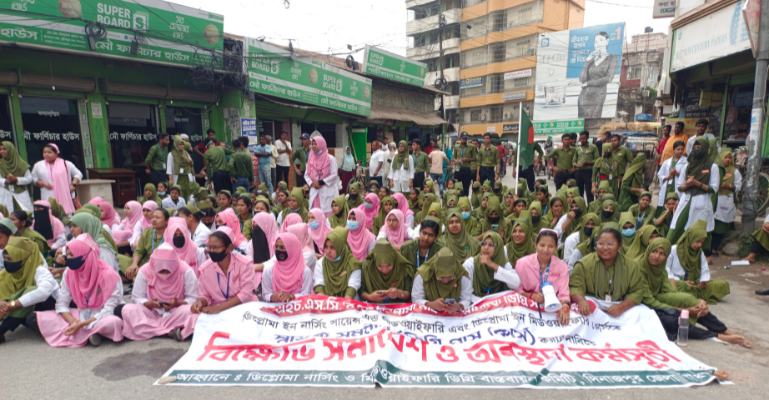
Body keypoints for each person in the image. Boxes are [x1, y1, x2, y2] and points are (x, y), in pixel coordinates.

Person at [641, 238, 751, 347]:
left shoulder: (660, 268)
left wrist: (697, 301)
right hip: (640, 306)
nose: (656, 256)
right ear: (648, 250)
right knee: (673, 321)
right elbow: (649, 301)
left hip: (656, 298)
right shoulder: (639, 269)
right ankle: (718, 336)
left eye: (661, 254)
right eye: (654, 251)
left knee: (692, 303)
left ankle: (727, 331)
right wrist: (683, 310)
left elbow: (670, 291)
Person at [37, 234, 124, 347]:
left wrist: (82, 324)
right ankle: (92, 334)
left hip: (103, 315)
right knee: (43, 317)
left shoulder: (108, 274)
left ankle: (86, 333)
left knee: (114, 322)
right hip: (81, 313)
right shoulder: (69, 273)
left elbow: (109, 309)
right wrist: (73, 322)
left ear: (85, 255)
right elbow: (61, 304)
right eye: (67, 255)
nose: (69, 259)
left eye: (72, 255)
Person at [117, 243, 198, 341]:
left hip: (176, 311)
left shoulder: (186, 271)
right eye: (160, 271)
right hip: (151, 312)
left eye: (168, 272)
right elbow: (137, 297)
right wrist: (150, 304)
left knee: (193, 311)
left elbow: (193, 298)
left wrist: (177, 304)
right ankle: (169, 332)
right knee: (127, 309)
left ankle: (148, 331)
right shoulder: (145, 270)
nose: (164, 275)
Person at [569, 227, 646, 317]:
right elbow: (575, 287)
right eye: (601, 243)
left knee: (643, 316)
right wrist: (581, 301)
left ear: (619, 246)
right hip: (591, 304)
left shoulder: (631, 266)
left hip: (621, 305)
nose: (605, 248)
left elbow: (637, 291)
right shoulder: (583, 264)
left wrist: (622, 307)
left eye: (610, 244)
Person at [0, 237, 59, 344]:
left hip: (51, 306)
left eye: (10, 259)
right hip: (26, 312)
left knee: (30, 291)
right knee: (28, 317)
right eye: (5, 259)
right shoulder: (5, 275)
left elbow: (43, 292)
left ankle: (2, 330)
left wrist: (12, 304)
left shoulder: (41, 271)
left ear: (24, 258)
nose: (6, 263)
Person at [189, 231, 256, 321]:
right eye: (209, 247)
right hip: (217, 307)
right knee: (194, 318)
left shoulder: (245, 264)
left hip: (242, 305)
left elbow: (246, 294)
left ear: (229, 248)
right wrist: (200, 303)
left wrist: (220, 308)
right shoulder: (205, 269)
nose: (211, 251)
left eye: (216, 248)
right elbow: (204, 295)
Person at [666, 137, 719, 246]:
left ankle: (699, 255)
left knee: (697, 232)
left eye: (699, 147)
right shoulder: (687, 166)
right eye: (694, 148)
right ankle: (671, 251)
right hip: (686, 201)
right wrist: (688, 185)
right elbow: (679, 187)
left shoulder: (713, 167)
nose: (696, 149)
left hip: (701, 201)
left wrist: (696, 183)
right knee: (676, 228)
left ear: (706, 149)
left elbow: (714, 188)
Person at [514, 229, 571, 325]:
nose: (545, 250)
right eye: (542, 245)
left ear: (557, 247)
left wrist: (565, 306)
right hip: (526, 307)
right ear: (535, 244)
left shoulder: (562, 267)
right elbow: (516, 289)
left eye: (551, 246)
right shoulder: (522, 263)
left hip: (551, 309)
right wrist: (531, 296)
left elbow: (564, 294)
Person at [666, 221, 729, 304]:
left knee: (723, 284)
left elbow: (704, 270)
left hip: (694, 284)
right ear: (690, 237)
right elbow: (666, 270)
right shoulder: (673, 250)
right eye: (697, 241)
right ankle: (689, 295)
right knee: (676, 286)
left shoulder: (699, 253)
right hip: (678, 282)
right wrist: (682, 283)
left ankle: (690, 294)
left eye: (702, 242)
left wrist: (703, 281)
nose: (699, 245)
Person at [463, 232, 520, 302]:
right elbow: (465, 295)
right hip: (476, 304)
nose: (486, 248)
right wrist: (485, 303)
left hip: (499, 305)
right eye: (483, 243)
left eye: (491, 245)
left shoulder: (503, 263)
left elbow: (516, 283)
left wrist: (493, 265)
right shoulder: (471, 263)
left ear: (498, 248)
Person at [412, 247, 471, 312]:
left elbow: (467, 298)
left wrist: (459, 306)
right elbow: (416, 299)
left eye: (450, 278)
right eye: (441, 278)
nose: (445, 281)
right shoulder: (423, 275)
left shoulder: (461, 274)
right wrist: (430, 304)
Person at [261, 233, 313, 303]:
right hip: (274, 310)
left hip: (297, 310)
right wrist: (272, 297)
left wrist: (292, 297)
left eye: (282, 248)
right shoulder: (269, 269)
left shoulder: (305, 272)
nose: (278, 250)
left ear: (292, 250)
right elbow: (265, 294)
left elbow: (306, 294)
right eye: (276, 247)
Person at [577, 31, 619, 118]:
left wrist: (589, 83)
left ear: (607, 41)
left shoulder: (612, 58)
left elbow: (608, 78)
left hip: (598, 96)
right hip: (583, 97)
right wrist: (588, 60)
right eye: (596, 41)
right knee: (581, 125)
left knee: (595, 121)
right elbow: (582, 79)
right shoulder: (591, 61)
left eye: (601, 40)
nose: (598, 43)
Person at [360, 239, 415, 304]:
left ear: (394, 259)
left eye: (389, 265)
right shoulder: (366, 267)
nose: (385, 270)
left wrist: (398, 293)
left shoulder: (403, 268)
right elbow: (361, 290)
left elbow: (409, 293)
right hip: (373, 308)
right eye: (380, 266)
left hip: (397, 308)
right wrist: (370, 297)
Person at [313, 228, 362, 298]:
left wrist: (341, 306)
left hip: (348, 304)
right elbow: (319, 285)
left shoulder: (353, 264)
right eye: (326, 247)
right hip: (326, 303)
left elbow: (352, 288)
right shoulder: (321, 263)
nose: (328, 251)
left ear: (341, 248)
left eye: (332, 247)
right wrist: (325, 305)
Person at [711, 149, 741, 257]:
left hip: (725, 199)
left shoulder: (734, 171)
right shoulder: (715, 169)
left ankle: (714, 248)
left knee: (720, 226)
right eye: (725, 157)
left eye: (729, 157)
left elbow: (738, 186)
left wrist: (729, 186)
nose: (727, 160)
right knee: (710, 224)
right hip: (713, 198)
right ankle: (708, 248)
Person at [125, 209, 170, 279]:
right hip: (143, 263)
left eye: (157, 218)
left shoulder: (171, 234)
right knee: (118, 258)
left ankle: (136, 277)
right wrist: (134, 264)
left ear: (167, 221)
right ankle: (137, 276)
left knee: (132, 274)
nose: (154, 220)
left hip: (160, 266)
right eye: (153, 217)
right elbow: (139, 251)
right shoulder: (147, 232)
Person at [307, 137, 339, 216]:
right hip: (315, 191)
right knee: (315, 215)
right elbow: (306, 174)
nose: (313, 146)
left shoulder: (331, 159)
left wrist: (321, 182)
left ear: (322, 145)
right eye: (312, 144)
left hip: (327, 190)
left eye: (316, 144)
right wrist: (312, 183)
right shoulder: (311, 159)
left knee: (328, 215)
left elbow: (334, 174)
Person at [0, 141, 33, 213]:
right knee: (7, 215)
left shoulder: (21, 164)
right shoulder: (1, 164)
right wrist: (5, 181)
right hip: (5, 192)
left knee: (25, 214)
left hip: (20, 192)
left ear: (10, 150)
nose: (2, 151)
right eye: (0, 149)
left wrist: (16, 179)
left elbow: (29, 179)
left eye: (4, 149)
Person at [656, 140, 687, 217]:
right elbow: (659, 174)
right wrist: (667, 177)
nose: (680, 151)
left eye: (682, 149)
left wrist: (677, 174)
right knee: (665, 203)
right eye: (678, 149)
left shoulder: (686, 162)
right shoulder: (667, 162)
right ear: (673, 150)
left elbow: (688, 175)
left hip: (678, 186)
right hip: (667, 186)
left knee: (677, 204)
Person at [165, 135, 195, 200]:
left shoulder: (186, 153)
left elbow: (191, 165)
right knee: (180, 195)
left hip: (187, 177)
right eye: (180, 144)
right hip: (178, 178)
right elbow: (169, 168)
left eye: (183, 144)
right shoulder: (171, 154)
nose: (182, 146)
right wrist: (170, 179)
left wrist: (190, 162)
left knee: (189, 195)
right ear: (176, 145)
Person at [573, 131, 598, 203]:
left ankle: (590, 208)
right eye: (581, 138)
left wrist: (586, 163)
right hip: (578, 172)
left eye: (584, 138)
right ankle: (581, 208)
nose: (582, 140)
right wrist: (576, 165)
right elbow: (573, 161)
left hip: (588, 171)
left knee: (589, 192)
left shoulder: (593, 147)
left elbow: (597, 160)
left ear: (587, 138)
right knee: (579, 193)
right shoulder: (577, 149)